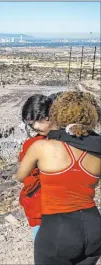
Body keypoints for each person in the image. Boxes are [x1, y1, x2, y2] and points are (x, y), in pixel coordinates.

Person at [14, 91, 101, 265]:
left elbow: (20, 176)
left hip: (58, 228)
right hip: (94, 227)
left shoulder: (41, 146)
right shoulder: (97, 151)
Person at [19, 93, 62, 240]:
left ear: (47, 117)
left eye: (33, 122)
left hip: (46, 208)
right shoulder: (72, 140)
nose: (32, 127)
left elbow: (23, 175)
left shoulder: (33, 145)